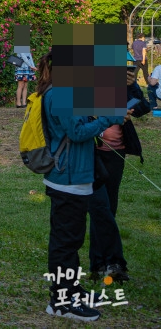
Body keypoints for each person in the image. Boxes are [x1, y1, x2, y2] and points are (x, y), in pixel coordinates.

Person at [39, 51, 130, 321]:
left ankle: (72, 290)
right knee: (65, 243)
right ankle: (60, 302)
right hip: (67, 180)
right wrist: (107, 119)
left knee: (72, 240)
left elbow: (79, 124)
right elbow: (76, 133)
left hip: (76, 179)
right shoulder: (61, 94)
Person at [87, 60, 144, 282]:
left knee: (109, 207)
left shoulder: (123, 84)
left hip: (115, 154)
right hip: (93, 153)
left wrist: (131, 87)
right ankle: (107, 263)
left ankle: (103, 263)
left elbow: (141, 108)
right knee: (100, 208)